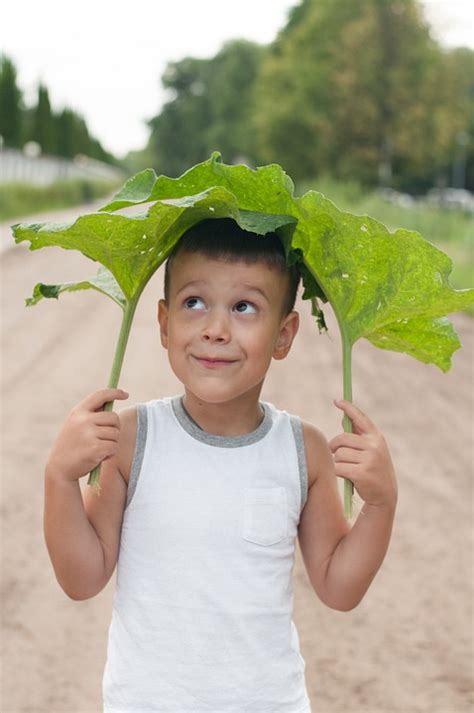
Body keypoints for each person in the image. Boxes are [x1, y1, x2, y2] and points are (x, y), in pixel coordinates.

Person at [43, 218, 398, 713]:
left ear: (284, 334)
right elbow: (82, 579)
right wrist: (59, 477)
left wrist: (380, 504)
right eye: (194, 303)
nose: (215, 329)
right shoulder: (129, 440)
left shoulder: (305, 450)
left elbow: (340, 589)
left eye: (245, 307)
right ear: (164, 324)